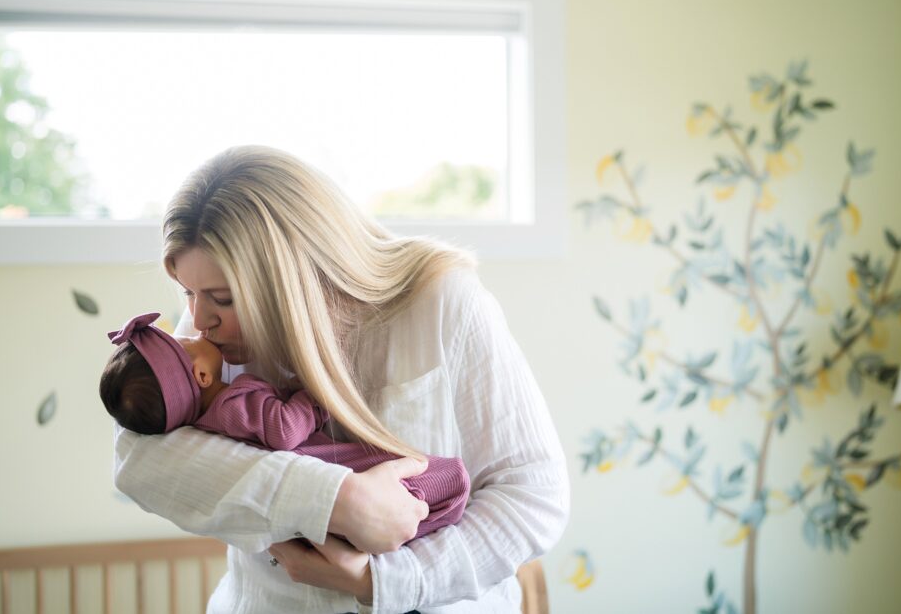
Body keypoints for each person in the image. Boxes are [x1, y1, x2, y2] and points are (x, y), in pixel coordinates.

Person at [112, 146, 569, 613]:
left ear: (297, 278)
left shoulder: (441, 302)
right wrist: (335, 500)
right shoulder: (209, 334)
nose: (198, 319)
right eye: (188, 292)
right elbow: (139, 459)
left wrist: (385, 580)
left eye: (223, 298)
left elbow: (533, 495)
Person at [100, 311, 470, 542]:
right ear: (200, 375)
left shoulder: (210, 414)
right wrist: (317, 391)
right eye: (186, 341)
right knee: (439, 477)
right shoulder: (231, 406)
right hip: (327, 462)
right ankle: (424, 516)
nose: (196, 327)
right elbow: (285, 430)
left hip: (322, 468)